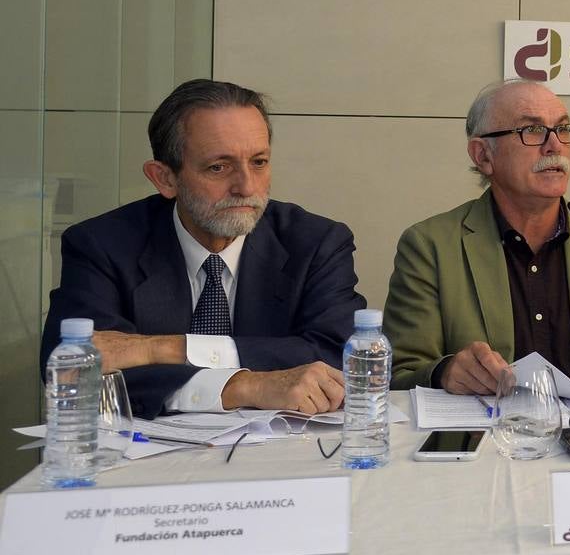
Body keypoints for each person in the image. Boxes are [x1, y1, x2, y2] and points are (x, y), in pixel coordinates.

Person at [40, 80, 364, 419]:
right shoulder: (102, 244)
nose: (246, 187)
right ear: (164, 178)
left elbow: (341, 357)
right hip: (146, 460)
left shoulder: (316, 242)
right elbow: (71, 368)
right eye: (218, 167)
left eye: (259, 162)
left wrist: (162, 348)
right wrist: (244, 387)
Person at [385, 79, 570, 393]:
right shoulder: (429, 247)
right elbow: (399, 374)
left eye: (563, 129)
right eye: (532, 131)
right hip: (490, 435)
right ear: (483, 155)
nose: (554, 145)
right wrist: (443, 372)